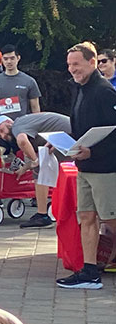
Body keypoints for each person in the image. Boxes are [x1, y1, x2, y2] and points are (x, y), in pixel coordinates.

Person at [56, 42, 116, 290]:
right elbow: (83, 126)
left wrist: (94, 150)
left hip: (105, 168)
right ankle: (90, 272)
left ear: (92, 63)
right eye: (69, 65)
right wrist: (63, 143)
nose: (72, 69)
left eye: (76, 64)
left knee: (111, 220)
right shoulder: (79, 89)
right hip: (84, 167)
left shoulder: (104, 92)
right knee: (86, 217)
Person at [0, 111, 71, 228]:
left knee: (41, 170)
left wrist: (35, 161)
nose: (2, 136)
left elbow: (22, 141)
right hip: (64, 133)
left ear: (8, 122)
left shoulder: (17, 126)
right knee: (43, 169)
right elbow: (30, 151)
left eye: (2, 131)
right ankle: (44, 214)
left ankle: (43, 216)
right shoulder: (25, 125)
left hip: (66, 134)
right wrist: (25, 168)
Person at [0, 45, 40, 120]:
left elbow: (35, 108)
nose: (9, 62)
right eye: (5, 59)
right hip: (0, 126)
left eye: (12, 58)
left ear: (18, 58)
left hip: (22, 125)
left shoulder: (29, 81)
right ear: (1, 60)